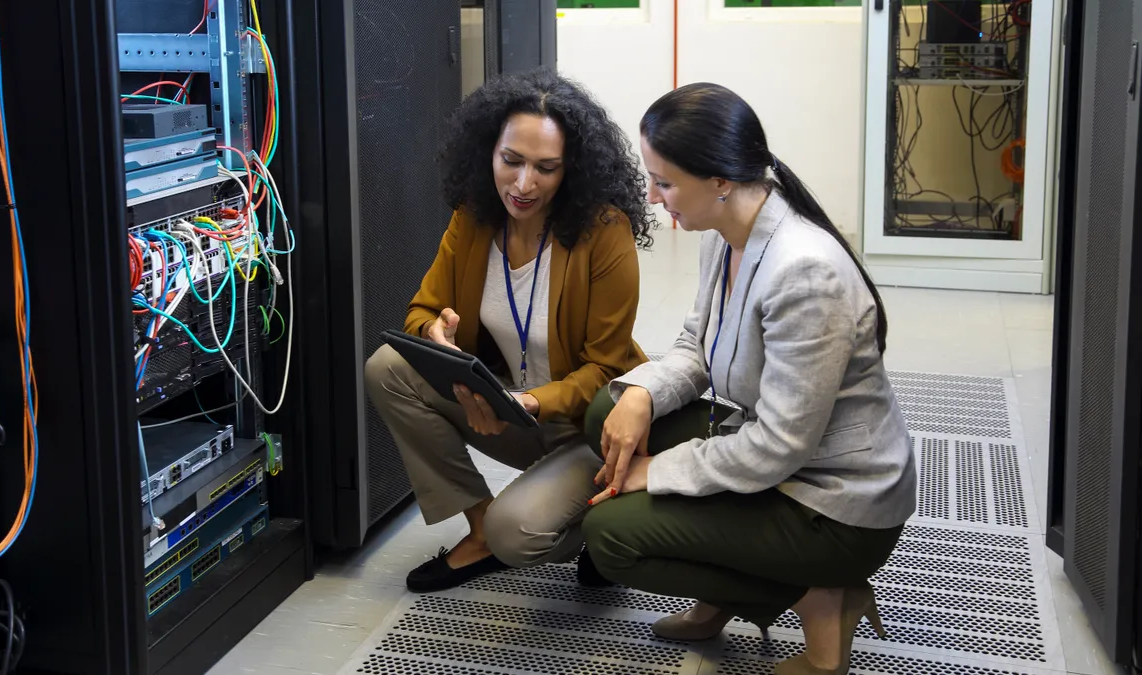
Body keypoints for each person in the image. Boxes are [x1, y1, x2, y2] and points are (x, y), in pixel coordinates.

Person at [580, 83, 917, 675]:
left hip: (832, 506)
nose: (655, 198)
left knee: (610, 536)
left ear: (720, 181)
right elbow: (695, 348)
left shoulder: (803, 271)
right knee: (605, 414)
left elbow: (779, 448)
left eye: (665, 182)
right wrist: (641, 394)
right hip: (780, 459)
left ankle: (823, 593)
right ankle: (729, 589)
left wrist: (654, 472)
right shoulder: (728, 236)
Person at [364, 68, 655, 593]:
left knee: (517, 535)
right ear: (488, 153)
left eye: (546, 168)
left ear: (573, 170)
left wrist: (531, 402)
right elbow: (419, 312)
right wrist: (439, 337)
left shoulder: (604, 231)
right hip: (506, 408)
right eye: (511, 161)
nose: (523, 185)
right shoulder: (474, 217)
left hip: (587, 425)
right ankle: (480, 530)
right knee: (387, 369)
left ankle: (602, 528)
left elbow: (608, 367)